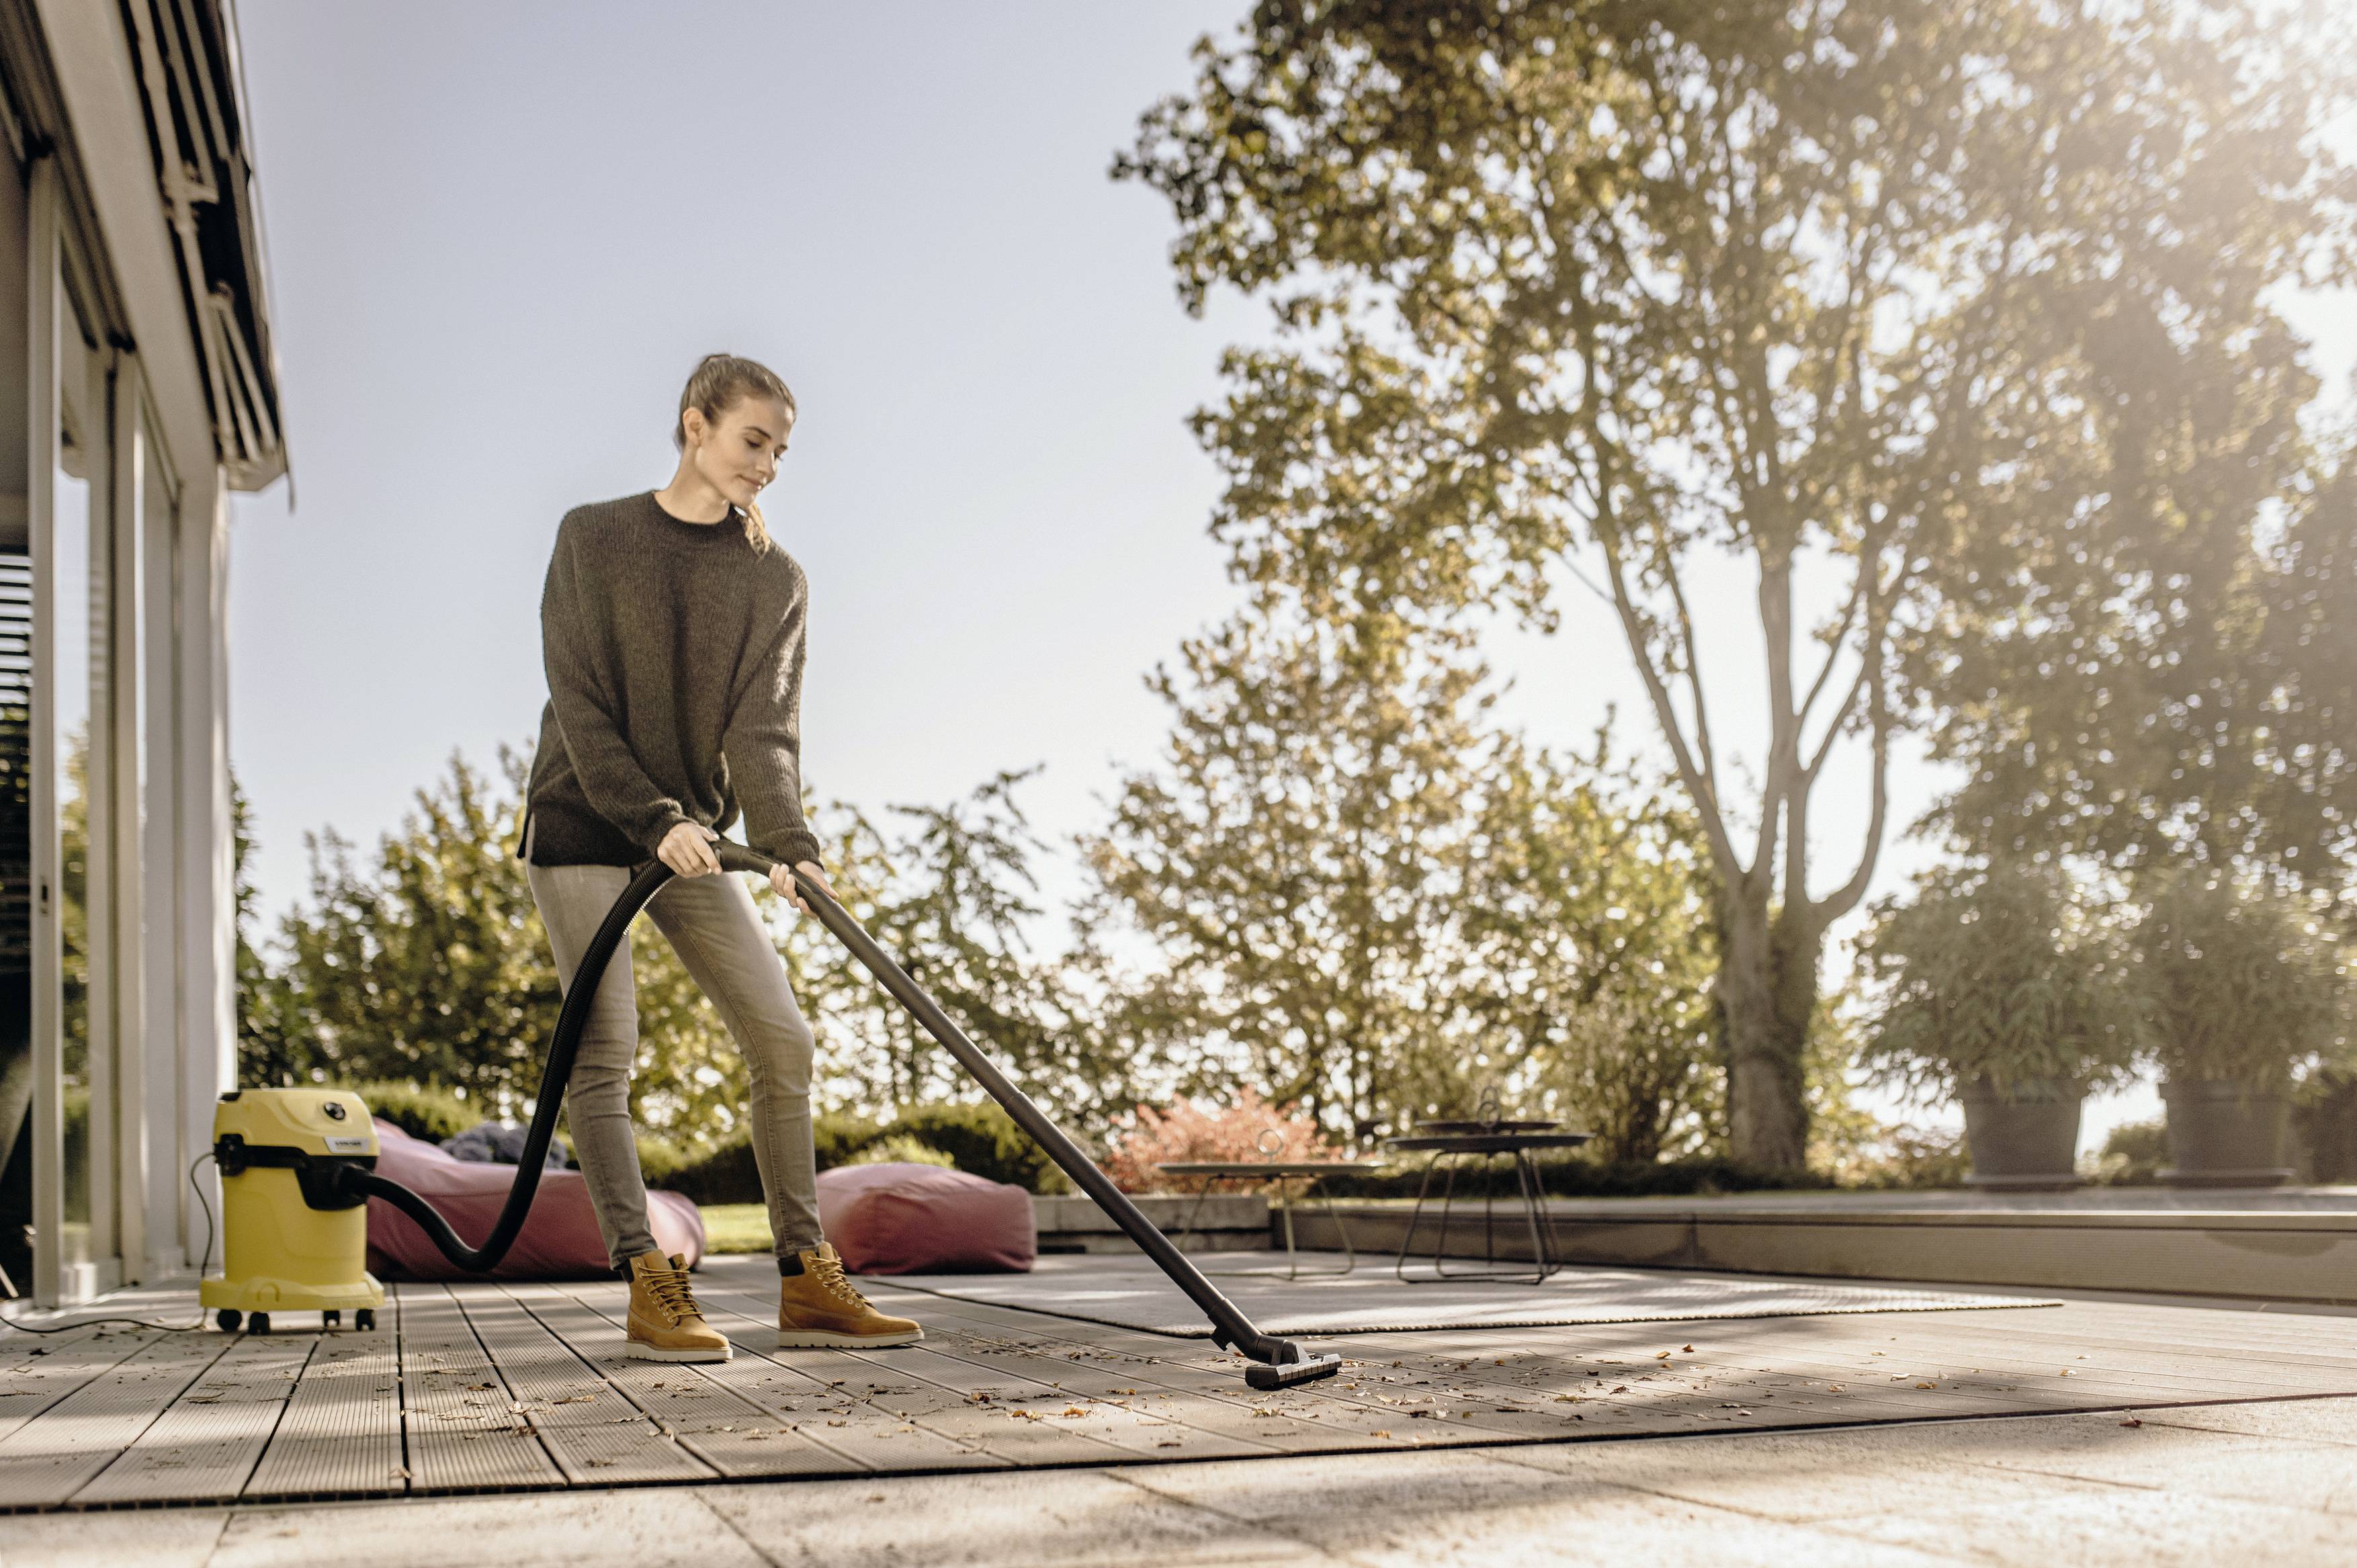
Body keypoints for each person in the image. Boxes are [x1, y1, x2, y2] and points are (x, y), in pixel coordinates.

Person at [521, 353, 923, 1362]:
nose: (769, 465)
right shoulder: (593, 536)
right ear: (694, 424)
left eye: (782, 449)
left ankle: (806, 1275)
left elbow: (764, 733)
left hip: (693, 843)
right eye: (755, 439)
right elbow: (579, 702)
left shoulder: (773, 578)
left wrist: (790, 844)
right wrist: (651, 814)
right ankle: (646, 1275)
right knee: (605, 1048)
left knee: (781, 1035)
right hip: (584, 822)